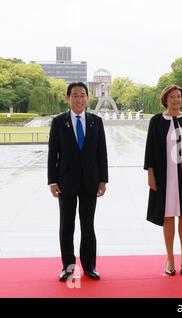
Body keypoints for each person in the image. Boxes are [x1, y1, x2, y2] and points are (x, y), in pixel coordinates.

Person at [48, 82, 108, 281]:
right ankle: (68, 266)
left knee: (88, 225)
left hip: (91, 181)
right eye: (75, 95)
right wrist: (52, 181)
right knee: (67, 225)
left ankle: (90, 266)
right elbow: (52, 154)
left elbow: (102, 153)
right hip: (66, 181)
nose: (79, 99)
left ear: (87, 98)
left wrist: (103, 180)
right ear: (68, 98)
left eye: (82, 95)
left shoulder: (96, 121)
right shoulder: (58, 122)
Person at [144, 85, 182, 276]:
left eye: (179, 96)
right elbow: (150, 150)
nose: (176, 100)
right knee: (167, 216)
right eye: (172, 97)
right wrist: (150, 174)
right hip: (164, 176)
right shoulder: (156, 121)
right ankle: (170, 258)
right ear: (165, 99)